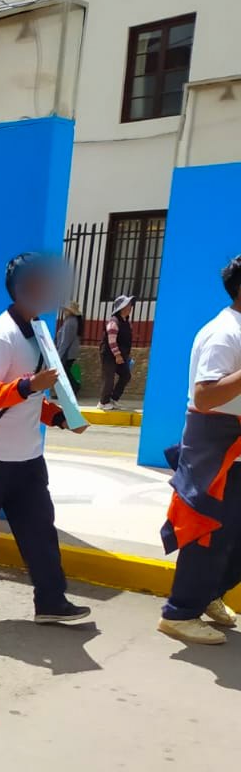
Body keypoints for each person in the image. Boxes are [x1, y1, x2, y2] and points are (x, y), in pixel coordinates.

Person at [0, 252, 92, 625]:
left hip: (28, 457)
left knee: (41, 530)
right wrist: (29, 385)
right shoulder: (0, 335)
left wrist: (60, 417)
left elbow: (30, 400)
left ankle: (51, 602)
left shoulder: (38, 330)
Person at [158, 255, 241, 646]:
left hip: (235, 448)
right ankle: (180, 612)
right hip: (218, 448)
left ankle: (209, 596)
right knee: (208, 534)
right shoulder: (224, 333)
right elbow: (205, 396)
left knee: (234, 538)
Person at [99, 295, 135, 410]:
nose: (130, 307)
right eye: (127, 305)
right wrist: (117, 355)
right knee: (109, 377)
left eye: (130, 305)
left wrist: (126, 355)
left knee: (126, 375)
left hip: (121, 355)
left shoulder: (127, 322)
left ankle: (113, 399)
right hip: (110, 355)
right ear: (121, 308)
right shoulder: (114, 322)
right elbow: (112, 341)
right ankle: (103, 402)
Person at [55, 300, 84, 396]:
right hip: (70, 353)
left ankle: (74, 388)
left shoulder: (70, 322)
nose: (64, 312)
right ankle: (70, 390)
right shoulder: (73, 321)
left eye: (66, 310)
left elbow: (65, 341)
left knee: (63, 373)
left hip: (67, 354)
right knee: (65, 372)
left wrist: (58, 356)